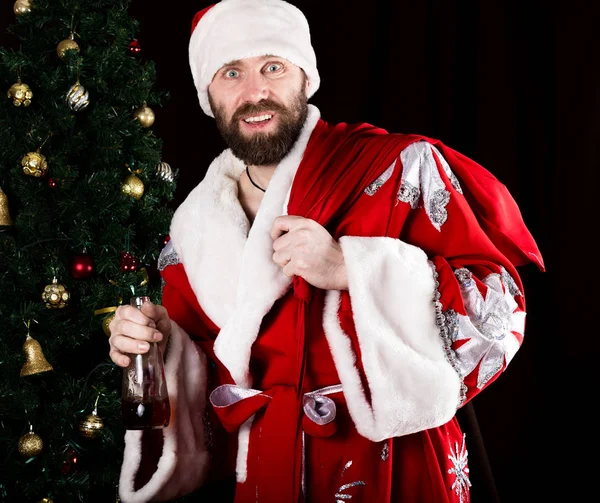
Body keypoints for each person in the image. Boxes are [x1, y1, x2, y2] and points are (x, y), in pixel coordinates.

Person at [109, 1, 545, 502]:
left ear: (304, 76)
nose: (256, 92)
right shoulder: (194, 226)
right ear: (209, 93)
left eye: (272, 67)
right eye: (232, 73)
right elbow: (211, 385)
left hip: (396, 469)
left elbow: (499, 308)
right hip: (268, 473)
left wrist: (352, 268)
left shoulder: (398, 168)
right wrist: (160, 348)